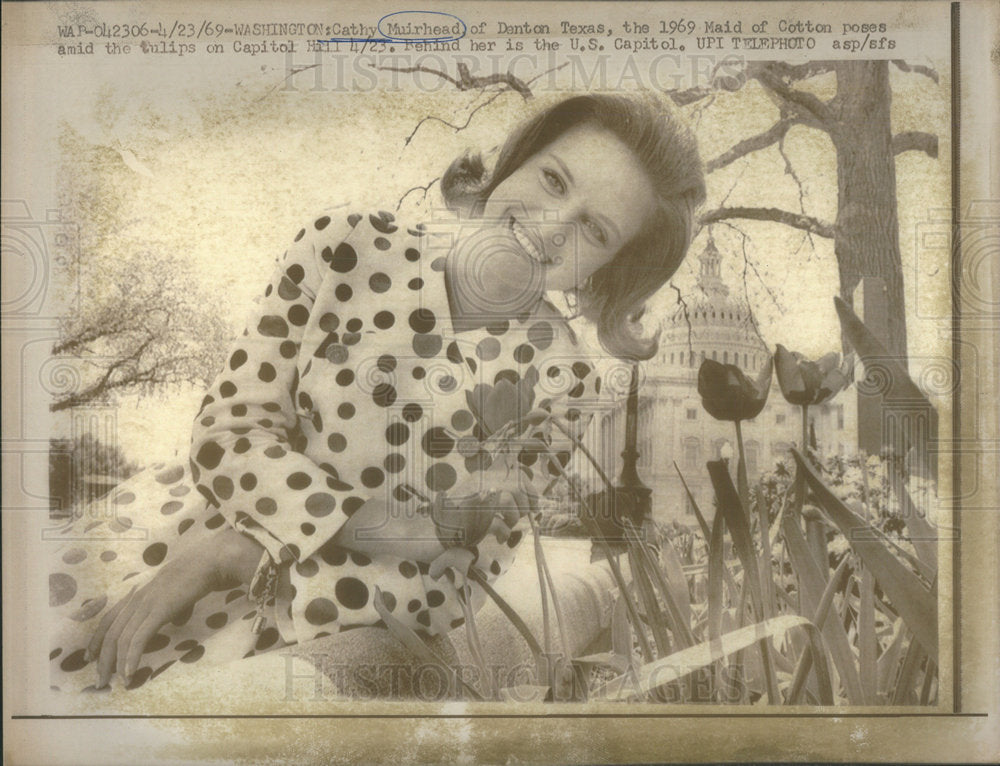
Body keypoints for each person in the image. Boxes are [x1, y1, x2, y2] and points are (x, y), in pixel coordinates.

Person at [48, 93, 705, 693]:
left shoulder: (566, 382)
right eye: (553, 179)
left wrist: (247, 559)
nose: (553, 224)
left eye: (595, 230)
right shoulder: (346, 244)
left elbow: (453, 576)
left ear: (614, 265)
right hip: (177, 538)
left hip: (331, 608)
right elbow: (230, 431)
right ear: (515, 158)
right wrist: (246, 542)